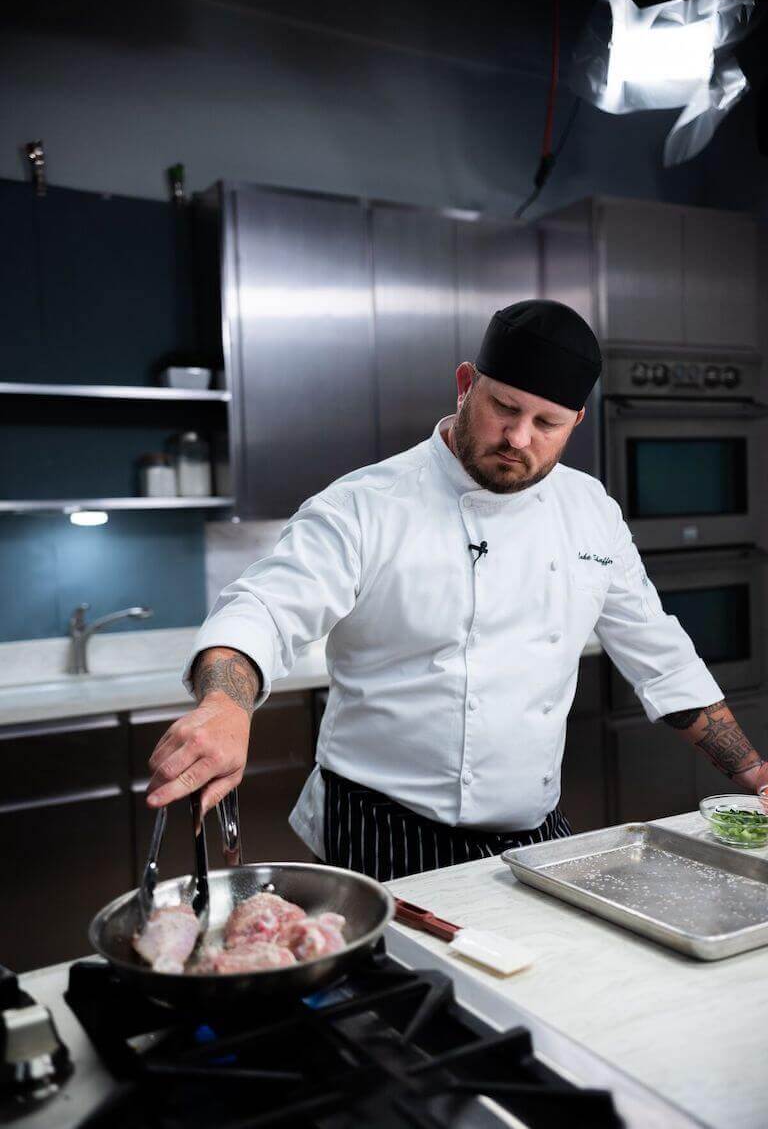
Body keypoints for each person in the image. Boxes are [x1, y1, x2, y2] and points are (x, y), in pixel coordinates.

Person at [146, 299, 768, 880]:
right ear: (467, 382)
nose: (519, 438)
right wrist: (225, 706)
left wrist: (752, 771)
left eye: (547, 422)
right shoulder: (366, 504)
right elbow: (263, 610)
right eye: (505, 407)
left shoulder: (590, 510)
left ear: (576, 420)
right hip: (380, 827)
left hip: (534, 825)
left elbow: (659, 651)